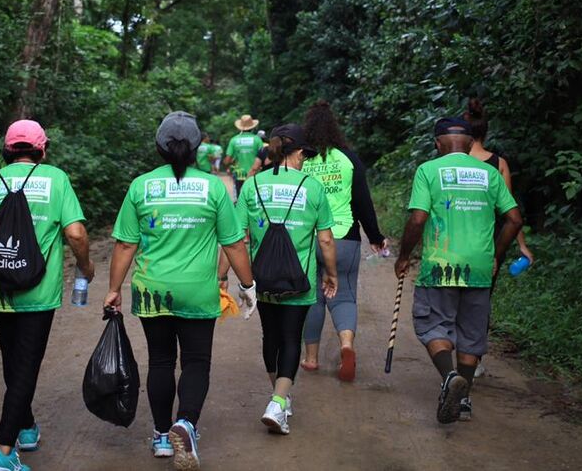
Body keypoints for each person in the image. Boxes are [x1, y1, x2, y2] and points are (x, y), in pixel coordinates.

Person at [105, 111, 256, 471]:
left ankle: (160, 436)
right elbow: (234, 244)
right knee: (196, 361)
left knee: (159, 360)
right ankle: (185, 423)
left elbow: (125, 246)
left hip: (152, 290)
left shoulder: (140, 186)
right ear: (197, 147)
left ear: (159, 147)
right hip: (198, 291)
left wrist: (113, 289)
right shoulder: (213, 187)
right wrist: (247, 284)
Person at [0, 120, 94, 471]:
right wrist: (86, 267)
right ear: (42, 150)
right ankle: (3, 449)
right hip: (37, 290)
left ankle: (26, 427)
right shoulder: (56, 179)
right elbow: (75, 233)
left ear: (7, 150)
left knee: (13, 360)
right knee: (26, 365)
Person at [393, 116, 523, 426]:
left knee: (433, 326)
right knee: (471, 334)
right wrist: (495, 254)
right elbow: (515, 219)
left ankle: (449, 376)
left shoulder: (428, 171)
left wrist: (404, 255)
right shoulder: (490, 173)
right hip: (479, 266)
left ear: (438, 144)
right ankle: (463, 401)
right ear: (468, 143)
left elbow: (418, 219)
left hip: (441, 266)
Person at [234, 123, 338, 435]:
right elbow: (327, 240)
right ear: (298, 152)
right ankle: (278, 401)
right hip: (299, 279)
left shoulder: (252, 185)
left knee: (271, 337)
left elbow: (237, 237)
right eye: (305, 153)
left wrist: (233, 278)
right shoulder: (312, 186)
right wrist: (331, 274)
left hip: (263, 276)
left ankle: (279, 398)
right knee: (292, 337)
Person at [298, 101, 387, 382]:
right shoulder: (349, 158)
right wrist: (375, 236)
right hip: (345, 238)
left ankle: (311, 359)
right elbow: (362, 202)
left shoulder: (301, 159)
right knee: (344, 293)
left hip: (308, 237)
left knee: (312, 297)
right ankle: (346, 345)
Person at [463, 97, 533, 381]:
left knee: (453, 297)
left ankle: (457, 353)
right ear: (485, 132)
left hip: (456, 239)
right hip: (490, 243)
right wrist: (522, 245)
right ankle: (474, 359)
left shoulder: (452, 163)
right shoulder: (499, 164)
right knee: (480, 301)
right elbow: (510, 213)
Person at [223, 114, 263, 195]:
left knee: (240, 198)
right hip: (254, 175)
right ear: (253, 127)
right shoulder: (257, 140)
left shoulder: (234, 140)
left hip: (239, 175)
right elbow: (262, 157)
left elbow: (227, 161)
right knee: (253, 197)